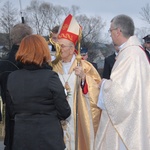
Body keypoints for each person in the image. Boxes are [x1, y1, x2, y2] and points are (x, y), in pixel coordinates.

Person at [6, 34, 71, 150]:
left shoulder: (12, 77)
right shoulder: (50, 77)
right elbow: (64, 112)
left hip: (22, 138)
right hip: (48, 138)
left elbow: (11, 111)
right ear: (43, 51)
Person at [95, 14, 150, 150]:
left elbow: (120, 94)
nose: (110, 34)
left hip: (126, 124)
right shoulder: (134, 52)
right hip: (134, 116)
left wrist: (104, 85)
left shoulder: (130, 55)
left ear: (118, 31)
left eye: (111, 31)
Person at [52, 14, 101, 150]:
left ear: (72, 48)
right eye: (58, 46)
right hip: (57, 117)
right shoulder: (53, 67)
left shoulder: (85, 66)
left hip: (78, 117)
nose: (59, 49)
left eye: (63, 46)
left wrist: (85, 78)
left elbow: (97, 91)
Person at [0, 23, 33, 150]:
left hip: (11, 118)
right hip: (32, 121)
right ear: (28, 38)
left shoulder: (3, 64)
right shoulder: (33, 62)